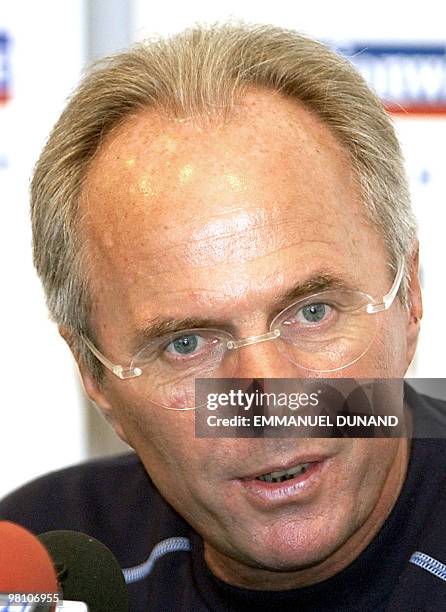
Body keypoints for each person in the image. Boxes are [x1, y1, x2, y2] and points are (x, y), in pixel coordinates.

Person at [1, 23, 445, 611]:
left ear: (408, 294)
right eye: (185, 344)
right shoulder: (40, 566)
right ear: (95, 375)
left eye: (311, 312)